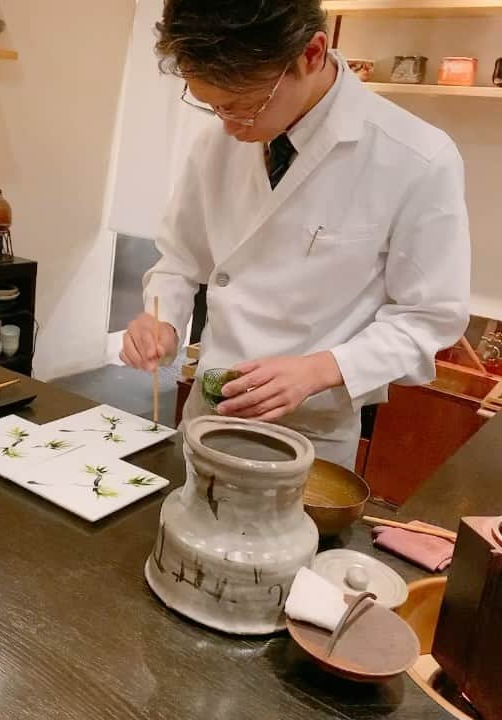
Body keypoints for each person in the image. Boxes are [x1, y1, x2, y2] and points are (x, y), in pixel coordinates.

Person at [120, 0, 470, 469]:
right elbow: (181, 260)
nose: (229, 126)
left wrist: (321, 369)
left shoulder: (416, 158)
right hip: (209, 407)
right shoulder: (217, 142)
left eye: (245, 105)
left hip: (311, 431)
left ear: (311, 53)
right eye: (212, 106)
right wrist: (161, 319)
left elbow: (429, 318)